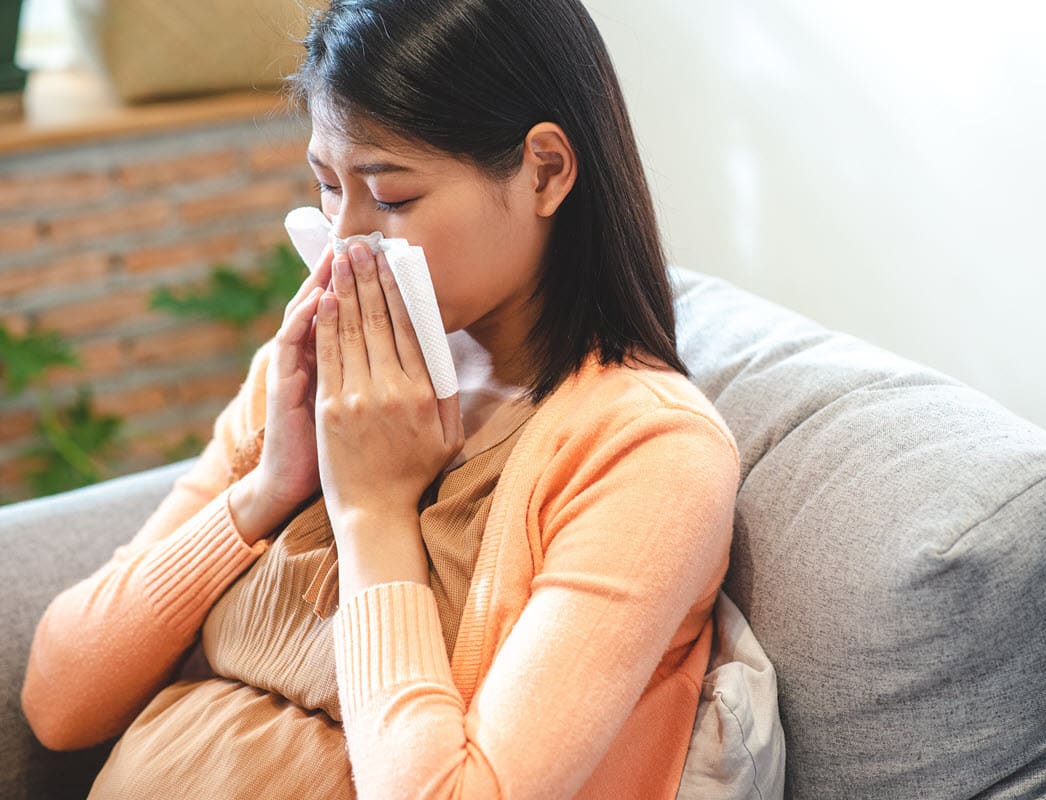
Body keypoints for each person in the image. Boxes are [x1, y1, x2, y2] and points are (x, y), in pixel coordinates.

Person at [20, 1, 740, 797]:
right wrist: (266, 491)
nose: (345, 240)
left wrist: (372, 511)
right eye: (327, 186)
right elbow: (58, 701)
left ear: (545, 170)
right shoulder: (311, 374)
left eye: (392, 198)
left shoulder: (648, 452)